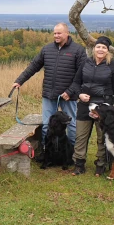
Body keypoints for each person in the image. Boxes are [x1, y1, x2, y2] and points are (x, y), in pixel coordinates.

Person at [12, 22, 87, 153]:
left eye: (59, 33)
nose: (56, 36)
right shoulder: (47, 49)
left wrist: (70, 91)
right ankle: (46, 151)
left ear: (67, 33)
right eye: (54, 33)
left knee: (72, 125)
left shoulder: (78, 50)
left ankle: (73, 153)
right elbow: (33, 66)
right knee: (47, 124)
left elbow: (81, 74)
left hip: (68, 96)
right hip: (49, 94)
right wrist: (19, 81)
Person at [66, 36, 114, 175]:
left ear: (108, 50)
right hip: (85, 105)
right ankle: (79, 164)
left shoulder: (113, 66)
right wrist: (79, 94)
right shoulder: (86, 62)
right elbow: (76, 82)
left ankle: (100, 165)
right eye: (98, 46)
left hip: (104, 106)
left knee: (101, 137)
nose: (100, 49)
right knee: (81, 136)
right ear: (94, 48)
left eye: (104, 47)